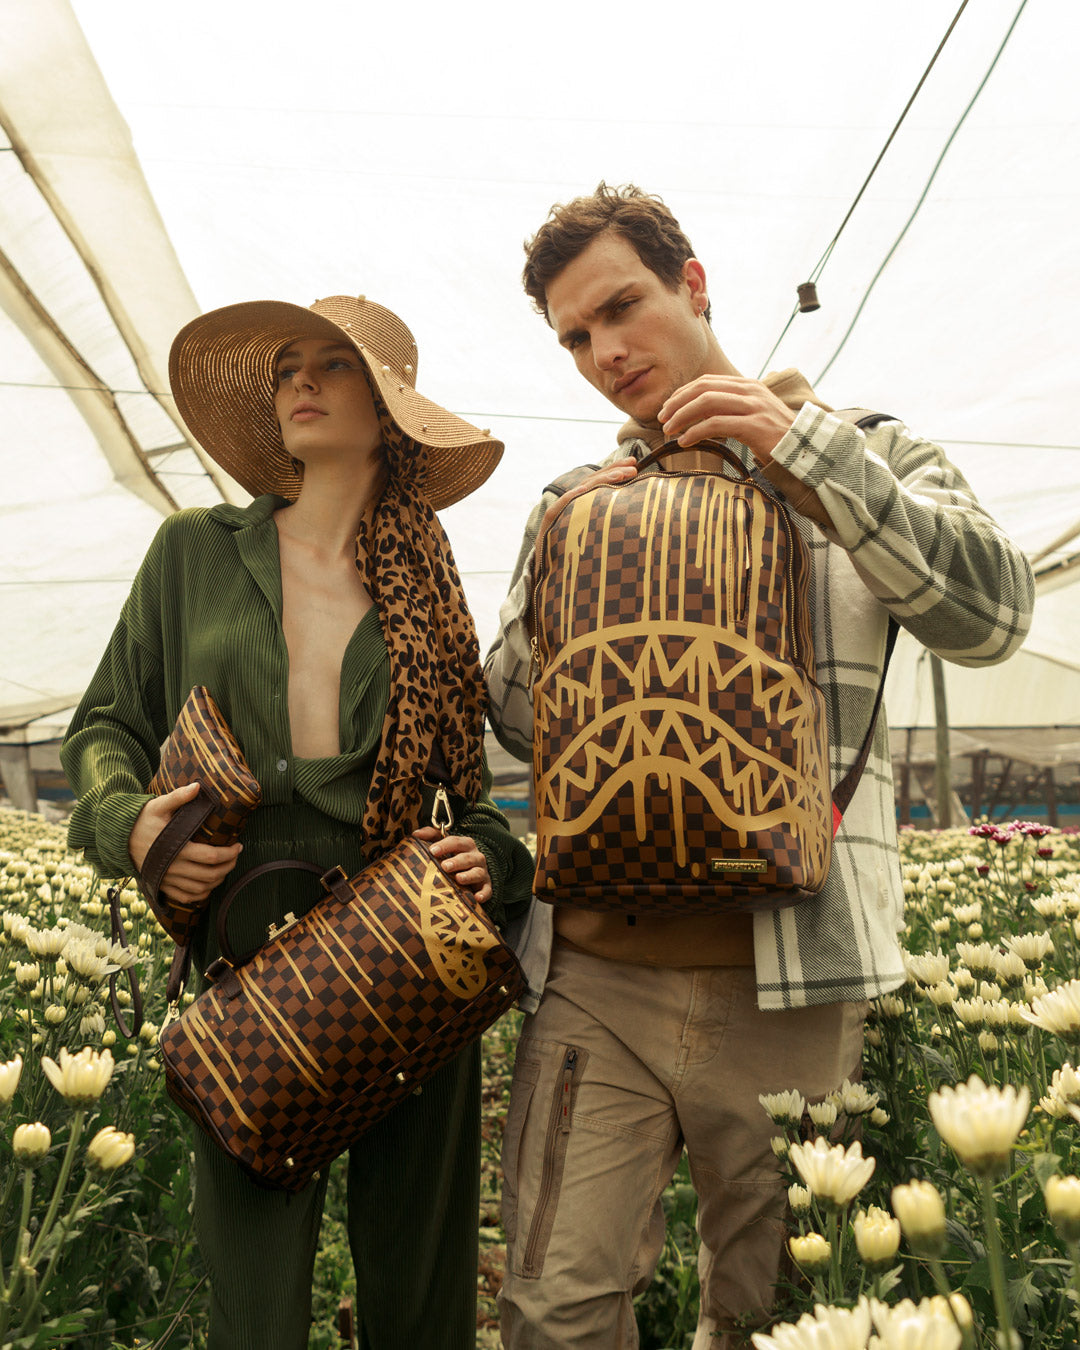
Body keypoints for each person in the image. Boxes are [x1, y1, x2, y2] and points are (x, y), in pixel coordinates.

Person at [485, 184, 1035, 1348]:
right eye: (575, 337)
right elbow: (523, 722)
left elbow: (993, 615)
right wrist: (577, 586)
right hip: (595, 978)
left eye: (621, 308)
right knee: (551, 1308)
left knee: (775, 1317)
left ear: (693, 285)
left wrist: (807, 453)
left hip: (795, 983)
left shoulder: (867, 448)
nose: (604, 353)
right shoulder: (573, 504)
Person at [61, 293, 534, 1350]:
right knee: (253, 1300)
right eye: (287, 369)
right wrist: (133, 826)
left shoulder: (428, 590)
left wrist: (493, 862)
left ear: (391, 411)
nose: (301, 382)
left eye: (334, 364)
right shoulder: (194, 552)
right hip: (246, 953)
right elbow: (106, 725)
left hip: (410, 947)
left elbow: (470, 796)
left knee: (422, 1288)